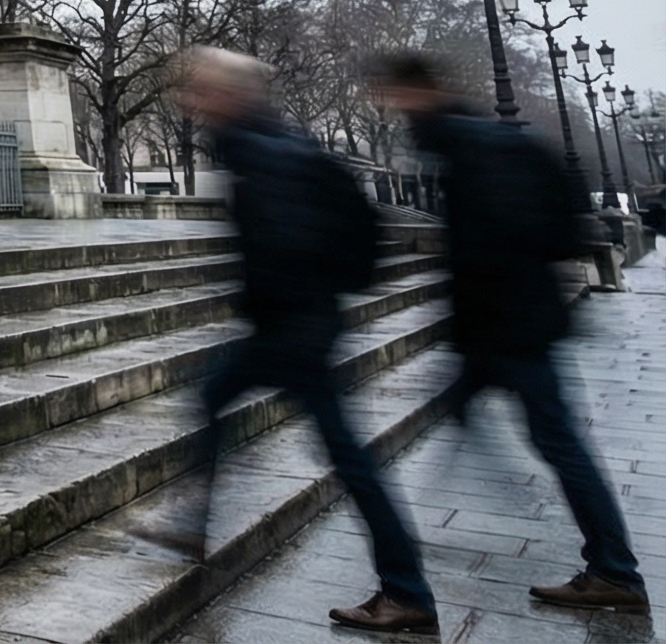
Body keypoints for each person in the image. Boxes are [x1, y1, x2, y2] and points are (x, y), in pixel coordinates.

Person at [167, 47, 438, 635]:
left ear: (228, 96)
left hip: (291, 330)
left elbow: (284, 246)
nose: (192, 100)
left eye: (201, 90)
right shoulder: (271, 145)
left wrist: (271, 306)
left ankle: (406, 591)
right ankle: (194, 525)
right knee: (235, 407)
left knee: (346, 459)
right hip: (301, 324)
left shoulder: (261, 155)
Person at [372, 52, 645, 614]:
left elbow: (491, 246)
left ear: (414, 92)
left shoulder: (469, 148)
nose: (392, 106)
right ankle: (604, 561)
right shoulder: (479, 140)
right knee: (542, 436)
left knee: (558, 443)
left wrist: (479, 330)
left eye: (395, 95)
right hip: (515, 321)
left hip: (510, 327)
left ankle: (614, 569)